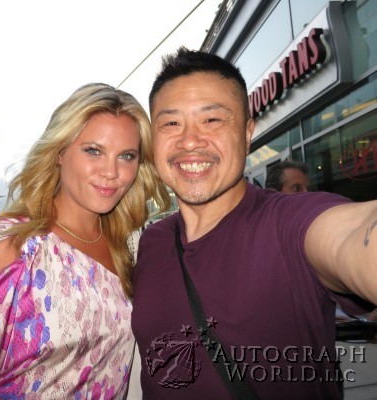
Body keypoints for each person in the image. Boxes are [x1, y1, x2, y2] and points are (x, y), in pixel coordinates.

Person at [131, 48, 376, 400]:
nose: (190, 140)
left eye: (212, 119)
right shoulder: (152, 241)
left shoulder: (288, 223)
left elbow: (352, 236)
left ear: (247, 133)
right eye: (171, 123)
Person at [0, 82, 170, 398]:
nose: (111, 171)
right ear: (59, 153)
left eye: (126, 155)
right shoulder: (14, 247)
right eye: (93, 150)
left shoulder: (128, 247)